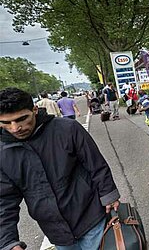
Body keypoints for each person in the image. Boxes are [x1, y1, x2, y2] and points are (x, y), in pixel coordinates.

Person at [0, 88, 120, 250]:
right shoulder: (3, 152)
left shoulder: (67, 129)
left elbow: (95, 164)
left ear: (34, 110)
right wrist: (8, 242)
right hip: (56, 232)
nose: (15, 128)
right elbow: (5, 200)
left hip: (91, 217)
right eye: (6, 123)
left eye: (21, 119)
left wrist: (109, 194)